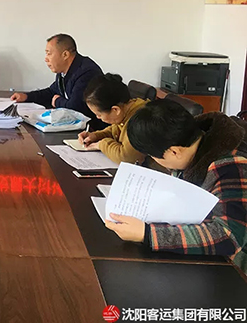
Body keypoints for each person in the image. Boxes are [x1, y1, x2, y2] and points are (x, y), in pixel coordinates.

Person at [106, 99, 247, 274]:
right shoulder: (194, 145)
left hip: (235, 270)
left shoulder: (230, 166)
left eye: (154, 157)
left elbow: (229, 236)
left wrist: (148, 234)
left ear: (174, 151)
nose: (157, 162)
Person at [10, 34, 104, 128]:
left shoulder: (86, 72)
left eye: (49, 53)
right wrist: (26, 96)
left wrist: (57, 101)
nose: (46, 59)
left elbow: (76, 108)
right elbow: (52, 92)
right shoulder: (64, 71)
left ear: (65, 55)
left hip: (94, 130)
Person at [77, 73, 147, 164]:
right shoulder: (126, 110)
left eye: (99, 114)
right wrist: (96, 136)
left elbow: (126, 158)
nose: (98, 117)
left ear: (115, 110)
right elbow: (115, 130)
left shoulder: (140, 120)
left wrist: (101, 144)